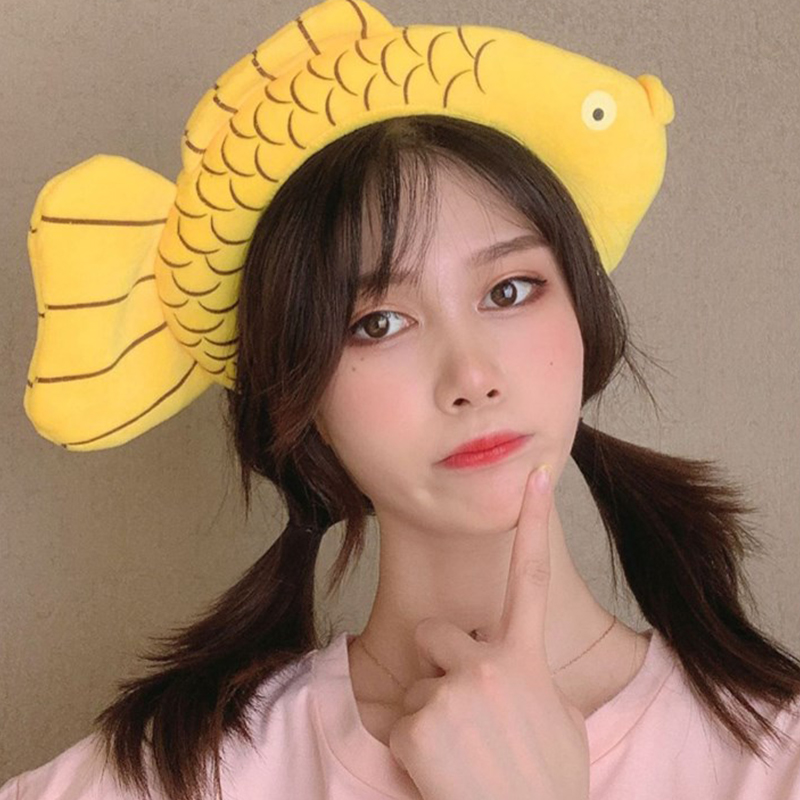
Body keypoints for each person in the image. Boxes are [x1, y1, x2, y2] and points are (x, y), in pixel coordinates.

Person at [4, 1, 800, 798]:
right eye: (378, 323)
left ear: (583, 316)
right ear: (299, 390)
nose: (472, 376)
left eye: (510, 290)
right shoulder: (171, 777)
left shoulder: (772, 760)